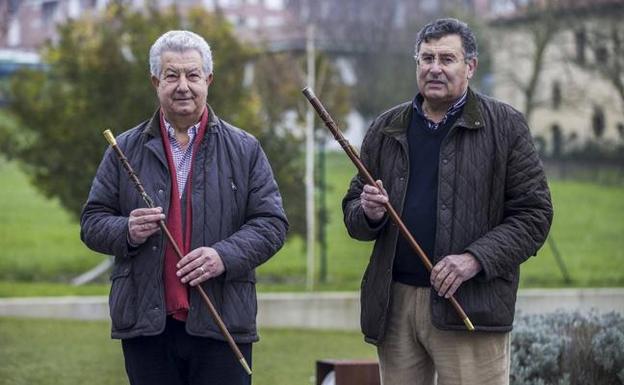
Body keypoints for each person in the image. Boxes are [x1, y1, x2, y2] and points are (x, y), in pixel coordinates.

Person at [342, 18, 553, 385]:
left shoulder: (505, 126)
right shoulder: (386, 126)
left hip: (470, 303)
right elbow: (353, 211)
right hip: (395, 305)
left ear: (470, 66)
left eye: (447, 59)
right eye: (426, 58)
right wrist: (369, 212)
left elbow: (534, 216)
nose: (434, 68)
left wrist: (475, 259)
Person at [80, 30, 288, 385]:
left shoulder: (245, 148)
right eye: (171, 75)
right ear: (154, 81)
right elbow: (92, 223)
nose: (183, 86)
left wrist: (223, 255)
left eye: (192, 75)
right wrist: (126, 230)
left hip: (222, 321)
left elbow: (271, 224)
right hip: (147, 326)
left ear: (208, 80)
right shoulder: (122, 150)